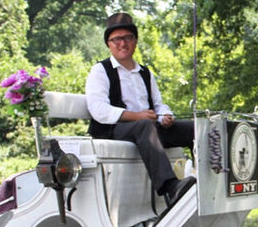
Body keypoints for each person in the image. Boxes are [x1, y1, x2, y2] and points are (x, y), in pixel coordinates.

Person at [84, 12, 196, 207]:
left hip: (148, 131)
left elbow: (158, 104)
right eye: (116, 39)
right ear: (108, 44)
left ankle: (205, 177)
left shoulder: (145, 72)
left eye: (128, 38)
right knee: (144, 125)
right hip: (114, 130)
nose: (123, 43)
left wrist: (165, 116)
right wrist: (137, 116)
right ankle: (171, 188)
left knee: (195, 128)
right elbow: (98, 109)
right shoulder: (100, 71)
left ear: (135, 41)